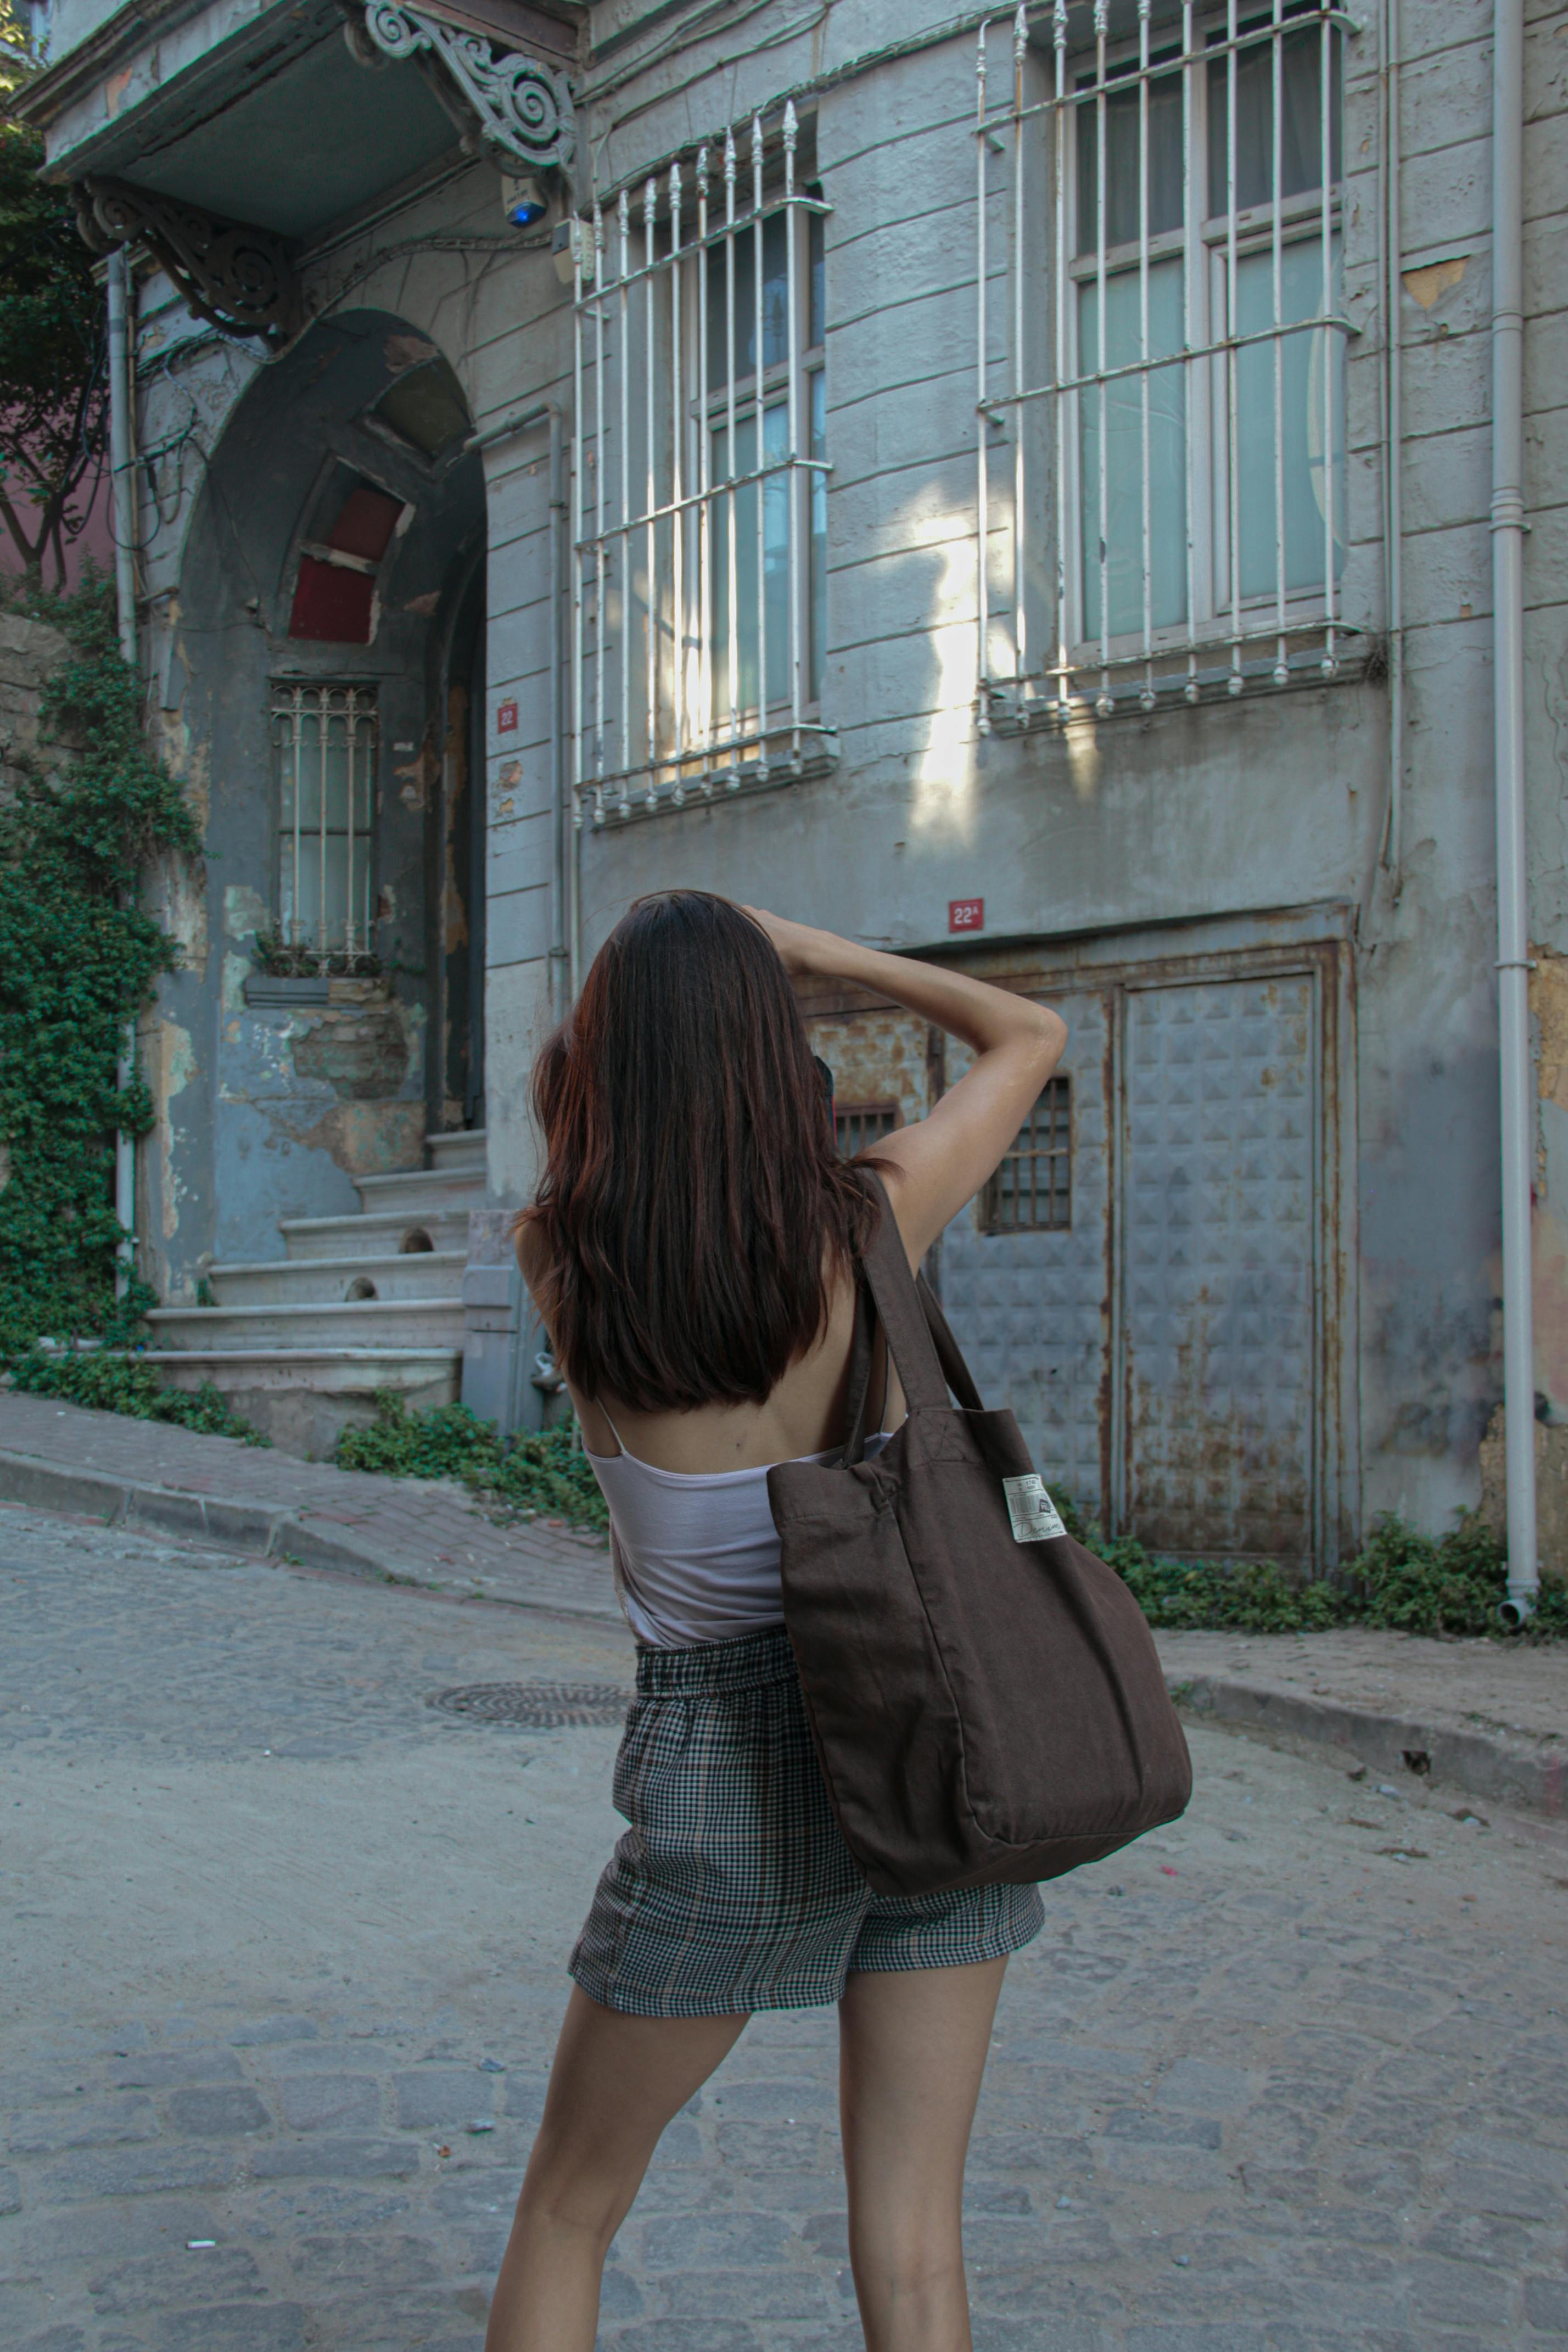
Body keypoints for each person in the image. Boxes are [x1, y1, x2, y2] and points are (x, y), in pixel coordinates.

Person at [486, 892, 1067, 2352]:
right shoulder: (874, 1217)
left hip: (726, 1771)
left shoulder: (562, 1255)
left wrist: (618, 1026)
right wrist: (814, 953)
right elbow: (1028, 1033)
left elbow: (569, 1107)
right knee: (918, 2249)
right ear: (773, 1047)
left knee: (570, 2209)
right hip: (932, 1730)